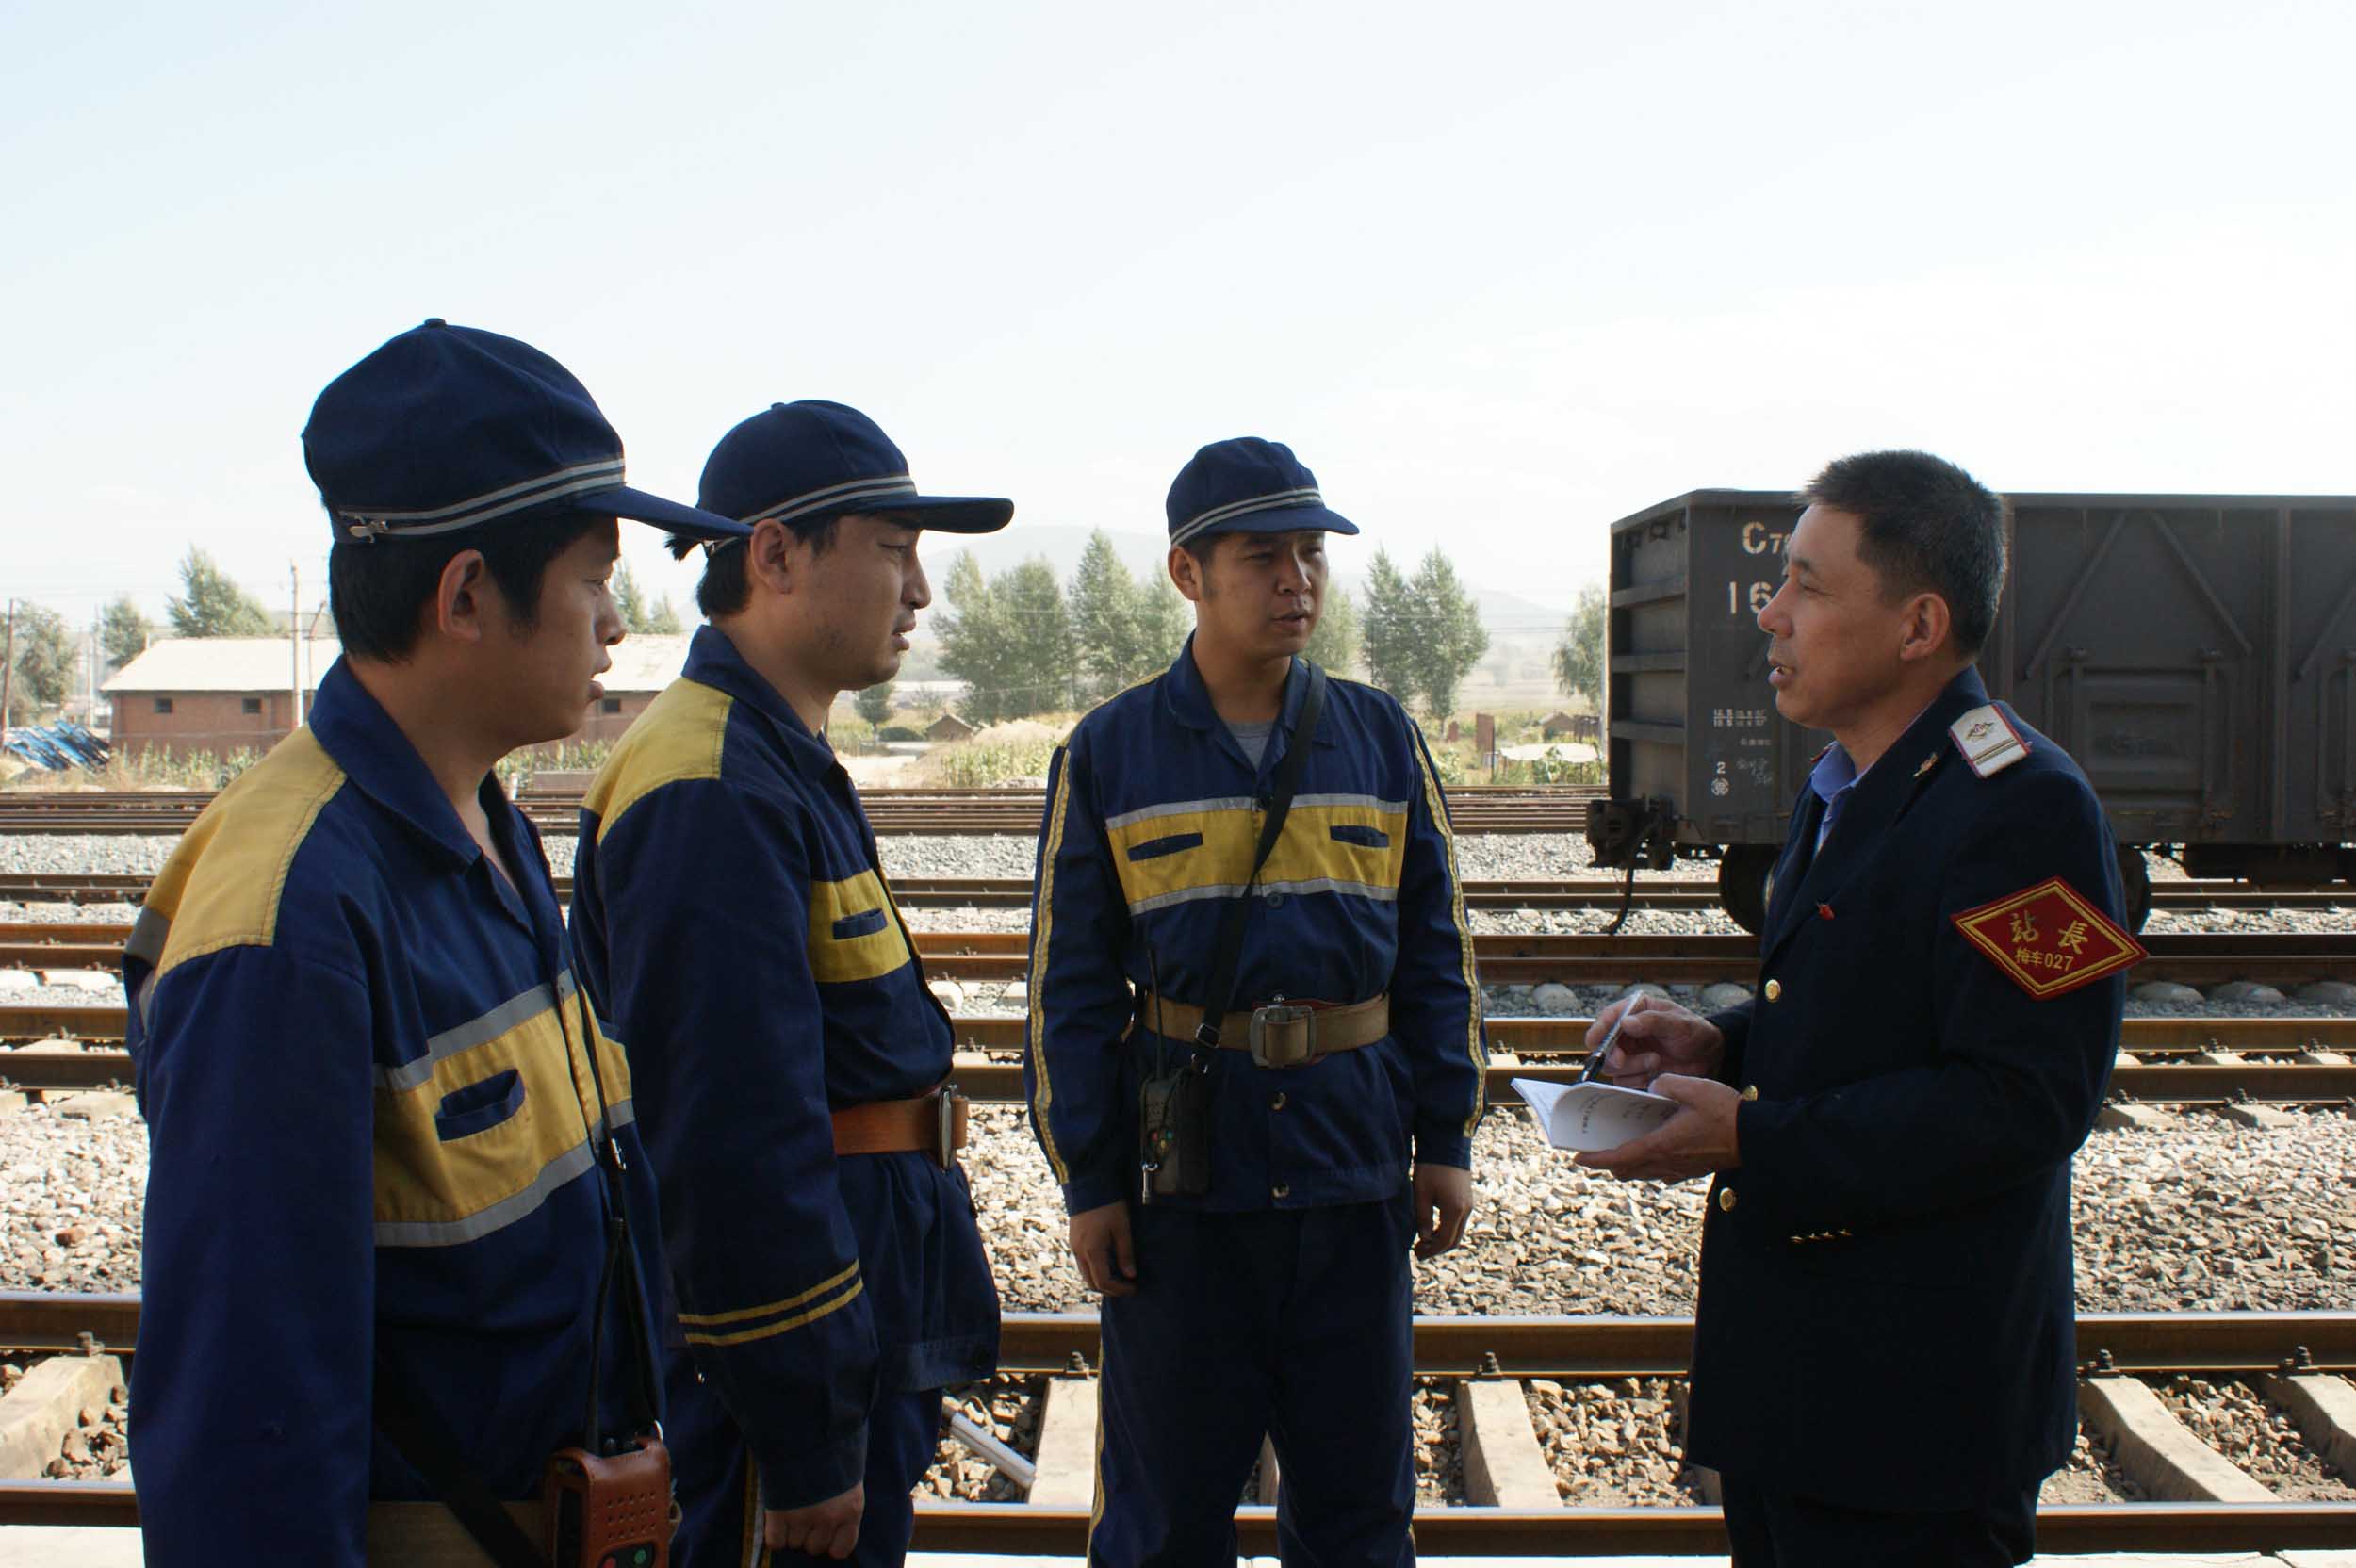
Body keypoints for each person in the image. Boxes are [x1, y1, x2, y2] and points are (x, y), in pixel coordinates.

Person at [123, 319, 751, 1564]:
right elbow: (247, 1432)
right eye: (592, 577)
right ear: (466, 595)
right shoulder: (289, 916)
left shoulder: (486, 824)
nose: (618, 623)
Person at [1580, 449, 2143, 1566]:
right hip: (1799, 1398)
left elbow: (2029, 1099)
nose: (1772, 616)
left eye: (1807, 585)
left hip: (1917, 1425)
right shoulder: (1844, 783)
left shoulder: (2025, 809)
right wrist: (1722, 1042)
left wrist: (1754, 1132)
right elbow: (1860, 1010)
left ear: (1917, 624)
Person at [1025, 436, 1485, 1567]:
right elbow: (1068, 991)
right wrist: (1091, 1180)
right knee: (1163, 1518)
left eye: (1311, 554)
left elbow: (1437, 954)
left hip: (1353, 1170)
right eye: (1263, 557)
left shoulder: (1380, 737)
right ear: (1188, 573)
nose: (1298, 581)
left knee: (1357, 1516)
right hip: (1185, 1193)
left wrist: (1448, 1135)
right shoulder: (1111, 752)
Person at [568, 400, 1008, 1566]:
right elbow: (731, 1142)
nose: (919, 592)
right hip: (790, 1357)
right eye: (893, 548)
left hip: (853, 1313)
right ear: (772, 553)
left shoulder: (765, 752)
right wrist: (806, 1431)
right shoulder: (708, 782)